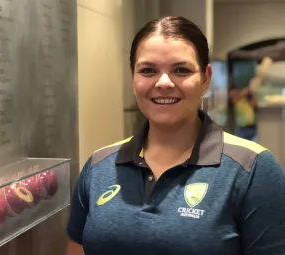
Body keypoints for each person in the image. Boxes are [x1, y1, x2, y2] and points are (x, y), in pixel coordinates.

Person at [66, 16, 285, 255]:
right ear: (133, 78)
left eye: (181, 70)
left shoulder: (252, 170)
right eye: (148, 70)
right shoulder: (99, 167)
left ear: (205, 79)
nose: (164, 82)